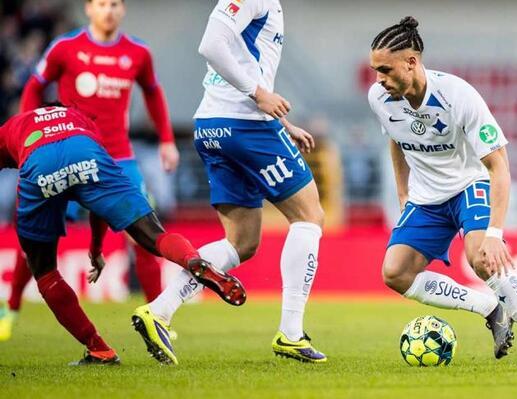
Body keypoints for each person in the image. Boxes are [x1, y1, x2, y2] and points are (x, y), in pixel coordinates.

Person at [131, 0, 327, 365]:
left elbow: (236, 64)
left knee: (241, 242)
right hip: (245, 126)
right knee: (309, 216)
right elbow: (211, 45)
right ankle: (291, 332)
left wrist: (282, 123)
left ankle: (159, 310)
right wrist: (260, 96)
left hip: (213, 127)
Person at [368, 17, 517, 365]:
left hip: (467, 186)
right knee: (395, 273)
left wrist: (495, 232)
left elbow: (499, 166)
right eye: (375, 71)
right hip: (426, 197)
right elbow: (396, 142)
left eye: (385, 70)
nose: (379, 79)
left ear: (411, 63)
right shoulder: (380, 98)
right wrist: (403, 194)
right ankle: (489, 308)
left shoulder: (457, 95)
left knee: (483, 258)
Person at [0, 104, 245, 365]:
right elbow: (99, 204)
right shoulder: (80, 118)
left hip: (39, 164)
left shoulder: (12, 126)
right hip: (86, 152)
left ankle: (99, 349)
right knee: (154, 235)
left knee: (45, 271)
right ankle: (192, 260)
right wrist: (96, 249)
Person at [0, 0, 179, 342]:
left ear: (122, 10)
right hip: (67, 155)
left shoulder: (137, 53)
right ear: (89, 9)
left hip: (119, 159)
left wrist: (167, 141)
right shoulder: (65, 48)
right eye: (101, 4)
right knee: (36, 240)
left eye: (114, 4)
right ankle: (11, 308)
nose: (108, 10)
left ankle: (159, 320)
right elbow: (34, 86)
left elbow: (154, 94)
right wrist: (27, 140)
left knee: (146, 237)